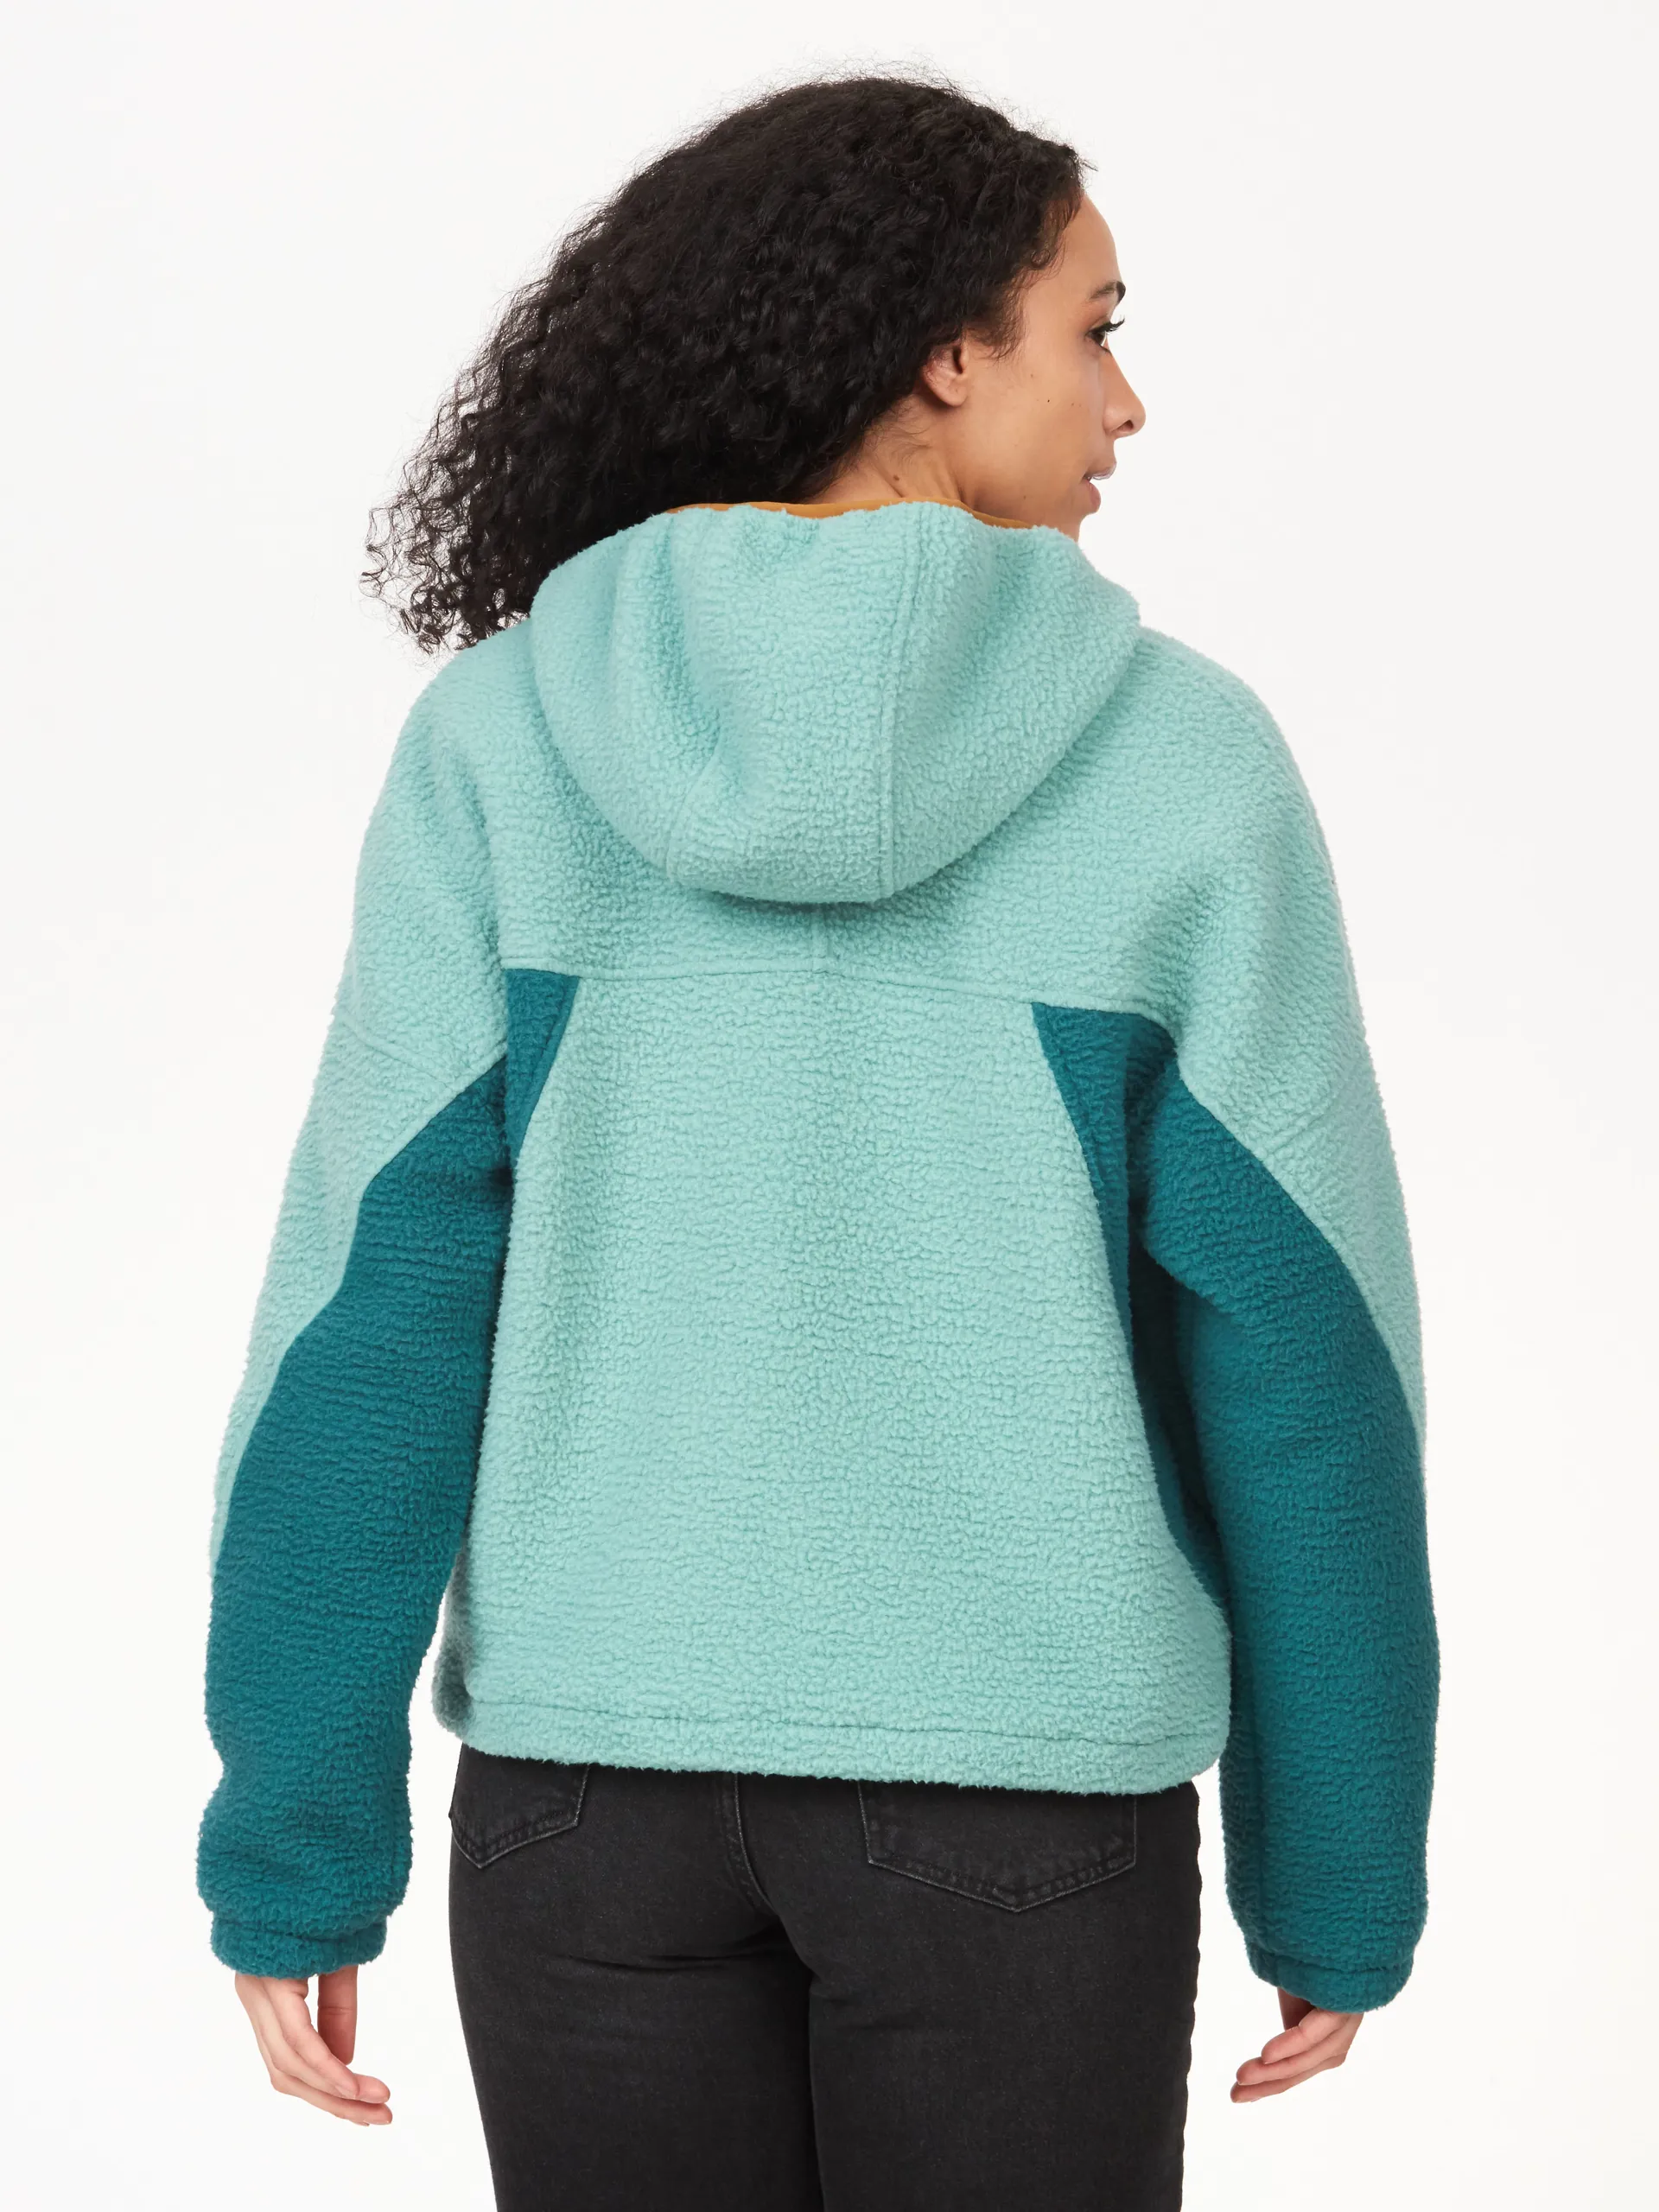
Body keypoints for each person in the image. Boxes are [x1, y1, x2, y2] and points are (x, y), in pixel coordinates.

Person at [197, 70, 1440, 2212]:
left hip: (584, 1805)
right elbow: (1307, 1357)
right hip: (1022, 1798)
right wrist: (1337, 1863)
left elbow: (368, 1316)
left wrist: (295, 1833)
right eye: (1094, 329)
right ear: (948, 353)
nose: (1127, 401)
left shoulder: (502, 738)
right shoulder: (1183, 765)